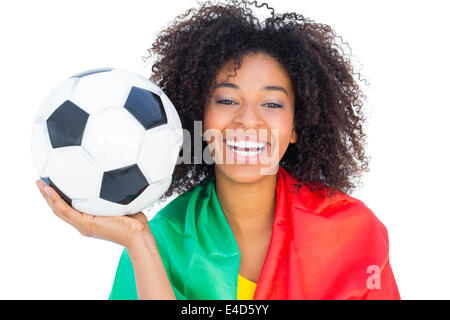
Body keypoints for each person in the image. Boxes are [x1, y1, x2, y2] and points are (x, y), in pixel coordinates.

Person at [36, 0, 400, 300]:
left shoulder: (354, 232)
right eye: (227, 99)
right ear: (197, 117)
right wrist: (139, 242)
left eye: (272, 105)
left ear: (296, 128)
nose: (248, 120)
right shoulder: (161, 240)